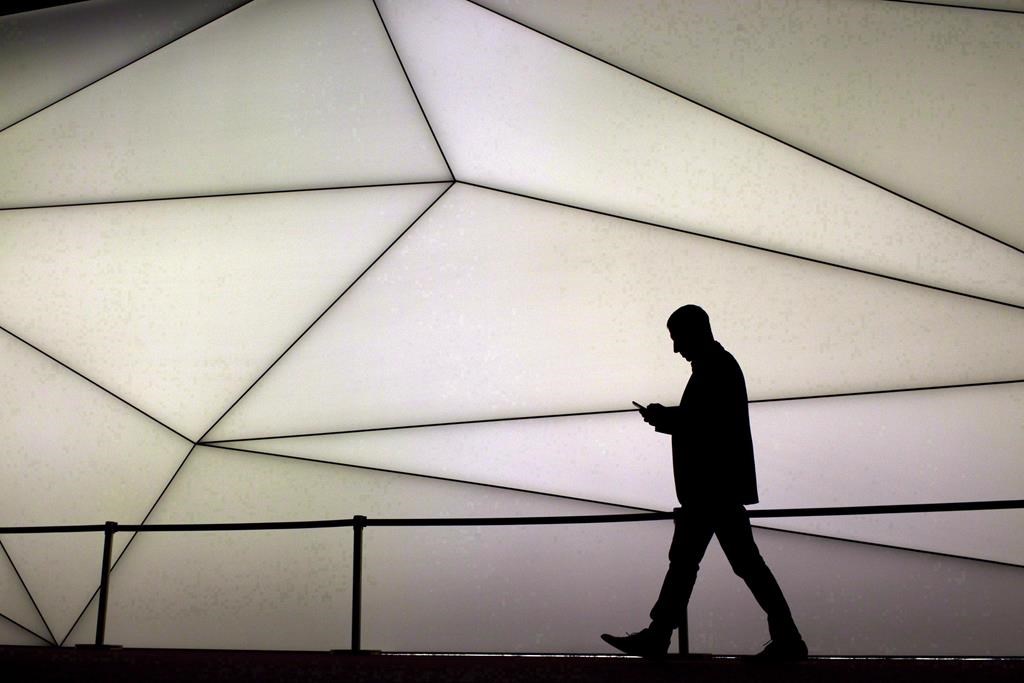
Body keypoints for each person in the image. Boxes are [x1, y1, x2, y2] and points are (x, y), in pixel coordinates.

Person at [601, 305, 807, 660]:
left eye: (678, 339)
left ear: (693, 333)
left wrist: (665, 418)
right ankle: (785, 637)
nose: (676, 349)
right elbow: (709, 422)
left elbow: (704, 424)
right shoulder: (720, 367)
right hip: (717, 489)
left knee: (695, 564)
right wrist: (669, 418)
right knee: (733, 564)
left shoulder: (714, 369)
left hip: (710, 490)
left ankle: (659, 636)